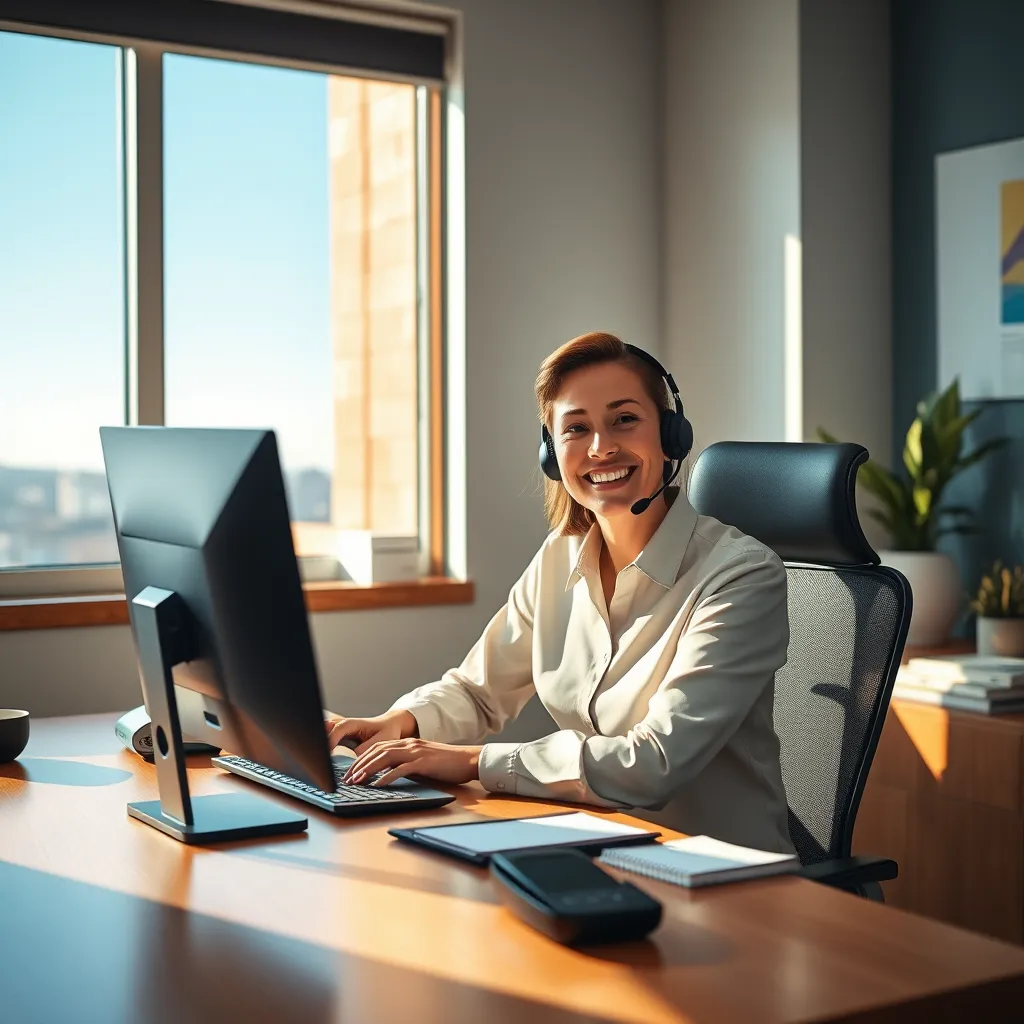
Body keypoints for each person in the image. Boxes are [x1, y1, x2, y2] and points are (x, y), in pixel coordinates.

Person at [326, 331, 794, 853]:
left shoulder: (742, 576)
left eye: (624, 420)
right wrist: (396, 723)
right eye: (576, 428)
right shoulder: (560, 556)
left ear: (671, 436)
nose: (601, 447)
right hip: (596, 847)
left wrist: (474, 762)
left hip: (726, 876)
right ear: (552, 453)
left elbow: (655, 762)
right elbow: (479, 691)